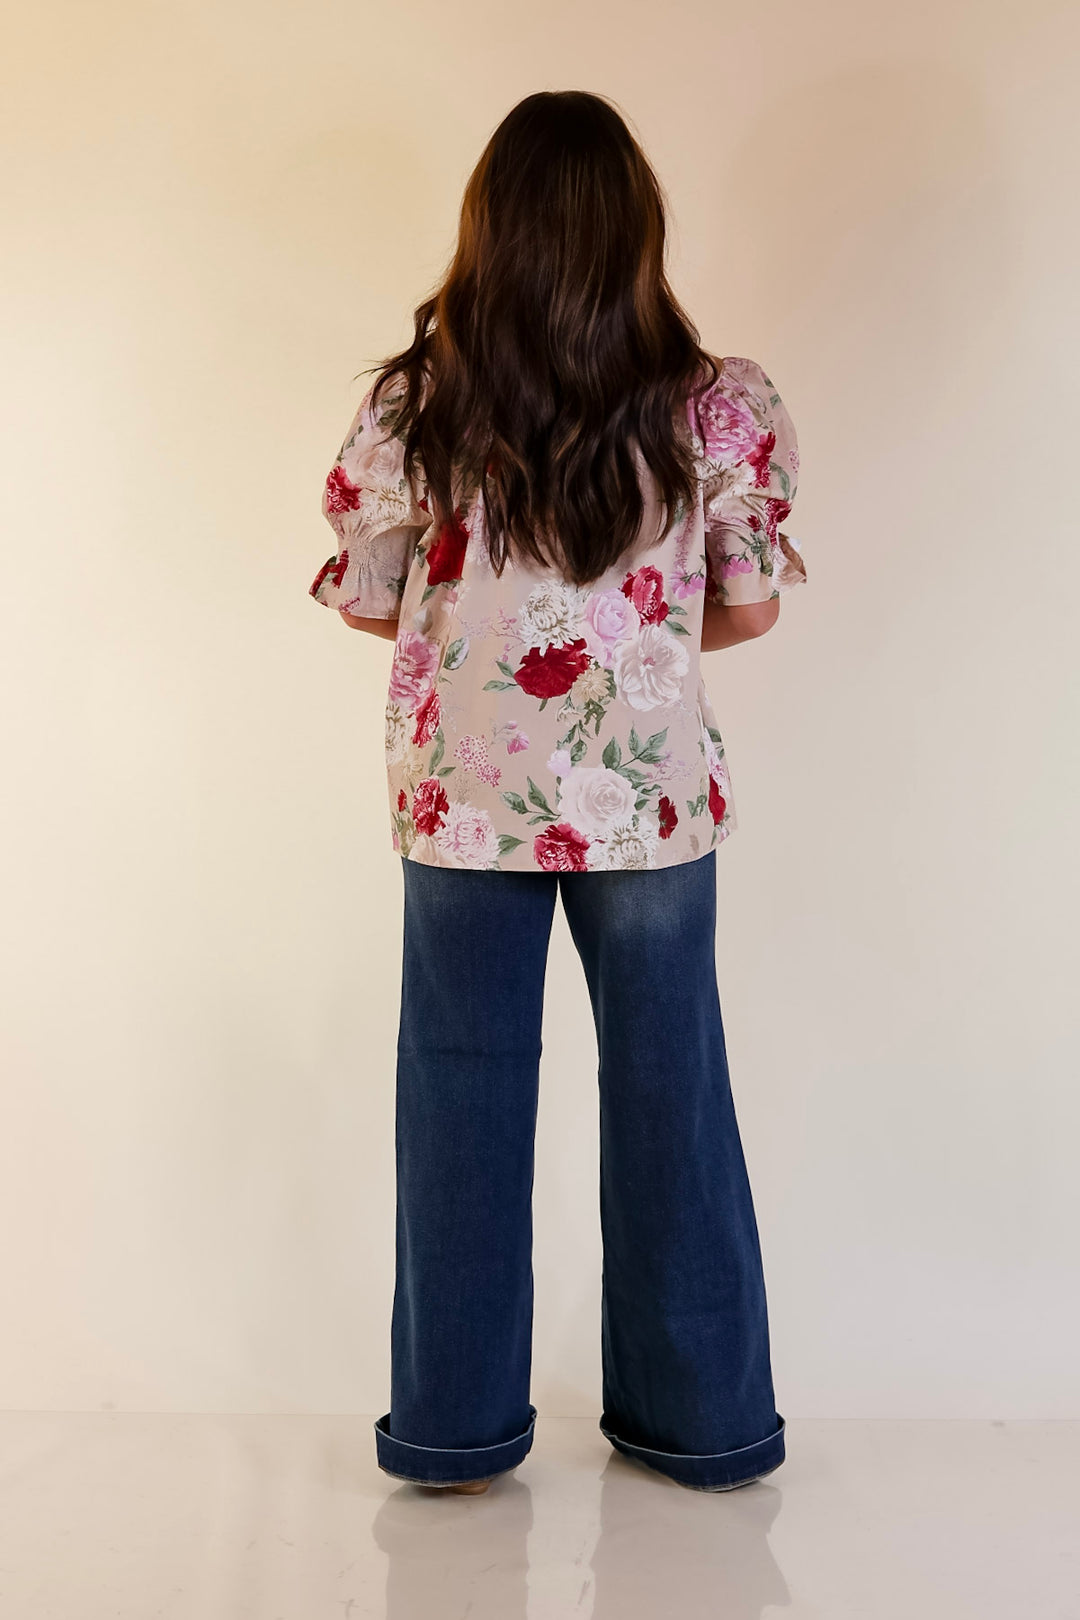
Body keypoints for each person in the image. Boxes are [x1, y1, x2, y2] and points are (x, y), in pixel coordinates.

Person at [307, 89, 806, 1496]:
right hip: (649, 805)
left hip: (464, 794)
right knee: (672, 1090)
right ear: (636, 231)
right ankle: (701, 1423)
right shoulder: (717, 403)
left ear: (490, 233)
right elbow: (747, 612)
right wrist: (629, 640)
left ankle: (455, 1431)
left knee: (457, 1092)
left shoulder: (418, 400)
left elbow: (372, 600)